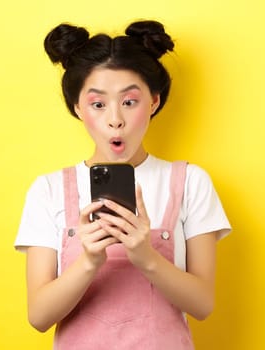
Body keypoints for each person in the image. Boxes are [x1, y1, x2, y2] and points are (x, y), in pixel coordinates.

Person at [14, 20, 231, 349]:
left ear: (154, 102)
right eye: (98, 104)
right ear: (78, 108)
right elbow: (40, 316)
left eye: (129, 101)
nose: (115, 118)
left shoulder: (190, 182)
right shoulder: (48, 190)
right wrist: (88, 262)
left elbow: (202, 305)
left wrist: (145, 256)